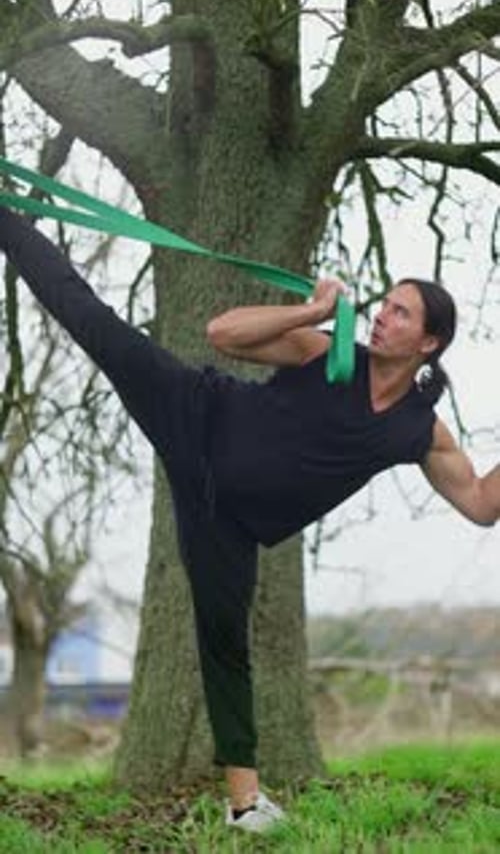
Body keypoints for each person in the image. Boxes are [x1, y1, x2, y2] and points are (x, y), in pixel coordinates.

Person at [1, 206, 499, 833]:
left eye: (402, 312)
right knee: (94, 322)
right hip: (193, 415)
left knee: (225, 642)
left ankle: (244, 804)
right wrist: (312, 311)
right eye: (385, 302)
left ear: (429, 342)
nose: (382, 314)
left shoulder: (417, 431)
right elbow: (222, 333)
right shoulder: (330, 351)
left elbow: (482, 503)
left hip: (226, 523)